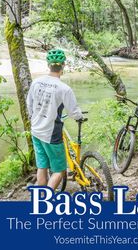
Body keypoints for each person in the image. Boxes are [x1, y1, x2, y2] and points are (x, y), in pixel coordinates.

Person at [26, 49, 83, 190]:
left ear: (48, 65)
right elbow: (74, 112)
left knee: (42, 166)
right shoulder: (64, 88)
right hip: (51, 133)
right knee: (59, 170)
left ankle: (40, 198)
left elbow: (29, 105)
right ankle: (46, 201)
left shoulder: (36, 83)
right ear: (63, 66)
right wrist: (80, 117)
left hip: (36, 130)